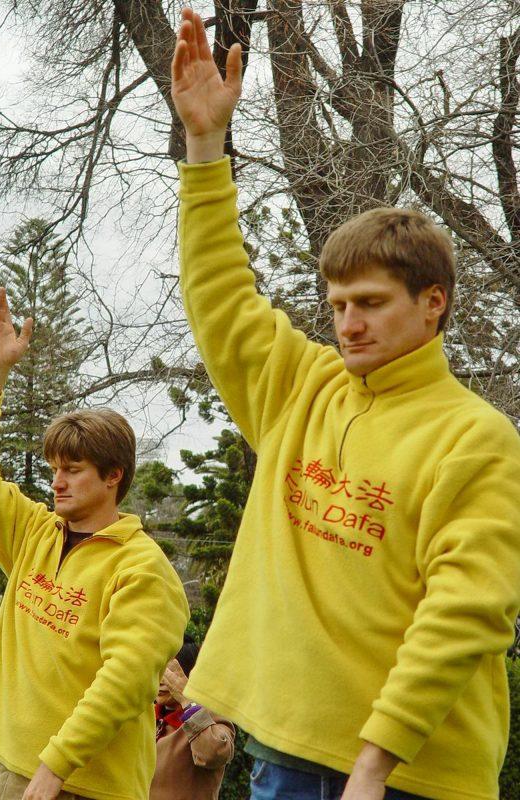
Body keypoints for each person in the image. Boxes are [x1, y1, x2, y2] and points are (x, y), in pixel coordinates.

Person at [170, 8, 520, 800]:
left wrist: (374, 763)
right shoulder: (303, 387)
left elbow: (465, 613)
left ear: (434, 302)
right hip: (287, 756)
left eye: (368, 302)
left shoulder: (477, 437)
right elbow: (221, 294)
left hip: (404, 778)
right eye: (335, 305)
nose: (347, 323)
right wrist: (204, 149)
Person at [0, 287, 190, 800]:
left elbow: (123, 681)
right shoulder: (34, 532)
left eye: (73, 470)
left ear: (113, 477)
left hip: (86, 786)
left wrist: (55, 767)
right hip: (19, 769)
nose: (57, 481)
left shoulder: (143, 569)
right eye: (55, 469)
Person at [150, 634, 235, 800]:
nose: (161, 681)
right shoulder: (146, 716)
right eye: (158, 671)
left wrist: (186, 700)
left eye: (170, 674)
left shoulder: (210, 717)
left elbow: (213, 753)